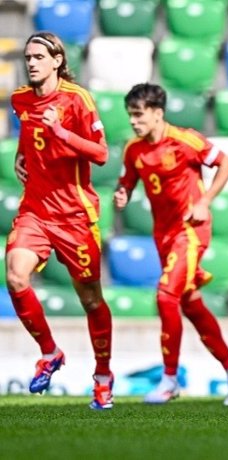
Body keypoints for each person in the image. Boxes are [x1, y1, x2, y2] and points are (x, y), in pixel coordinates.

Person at [113, 83, 228, 406]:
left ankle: (170, 379)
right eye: (130, 115)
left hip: (190, 231)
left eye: (138, 114)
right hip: (162, 235)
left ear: (157, 113)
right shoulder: (133, 149)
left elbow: (226, 163)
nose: (134, 121)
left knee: (166, 296)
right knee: (190, 305)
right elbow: (127, 180)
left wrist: (204, 200)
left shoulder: (185, 140)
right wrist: (123, 192)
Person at [7, 31, 114, 409]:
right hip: (35, 210)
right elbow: (27, 132)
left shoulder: (78, 99)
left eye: (39, 56)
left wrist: (60, 131)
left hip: (75, 216)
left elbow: (101, 154)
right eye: (27, 56)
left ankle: (102, 377)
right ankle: (50, 353)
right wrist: (22, 156)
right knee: (16, 275)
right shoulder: (20, 99)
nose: (31, 62)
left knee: (90, 300)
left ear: (57, 60)